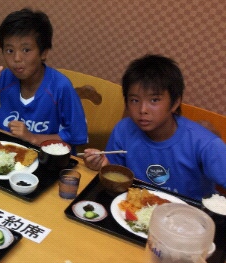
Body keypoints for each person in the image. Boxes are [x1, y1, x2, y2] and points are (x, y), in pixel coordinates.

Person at [83, 54, 226, 200]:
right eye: (135, 100)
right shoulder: (123, 130)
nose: (143, 109)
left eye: (154, 100)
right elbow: (116, 178)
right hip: (134, 206)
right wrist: (102, 165)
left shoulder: (205, 144)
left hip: (190, 211)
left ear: (175, 103)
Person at [0, 8, 87, 148]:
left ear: (44, 53)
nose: (17, 58)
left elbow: (76, 137)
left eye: (26, 50)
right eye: (10, 50)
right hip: (6, 152)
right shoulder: (3, 79)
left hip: (44, 155)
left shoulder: (60, 87)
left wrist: (33, 138)